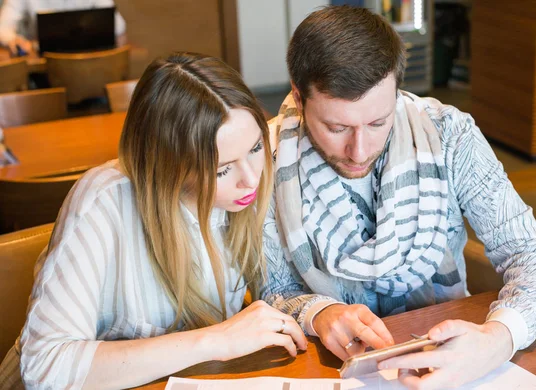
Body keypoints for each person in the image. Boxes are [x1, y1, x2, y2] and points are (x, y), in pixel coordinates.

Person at [261, 6, 536, 389]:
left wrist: (497, 339)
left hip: (445, 348)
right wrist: (319, 312)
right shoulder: (261, 158)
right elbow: (271, 289)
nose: (359, 150)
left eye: (377, 123)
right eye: (337, 127)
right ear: (298, 96)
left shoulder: (448, 135)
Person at [0, 53, 307, 389]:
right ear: (169, 165)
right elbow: (44, 367)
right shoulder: (105, 202)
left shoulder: (246, 192)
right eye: (222, 169)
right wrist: (216, 339)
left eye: (255, 148)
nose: (251, 179)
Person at [0, 0, 126, 56]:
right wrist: (14, 39)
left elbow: (118, 26)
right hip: (43, 70)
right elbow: (2, 27)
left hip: (89, 62)